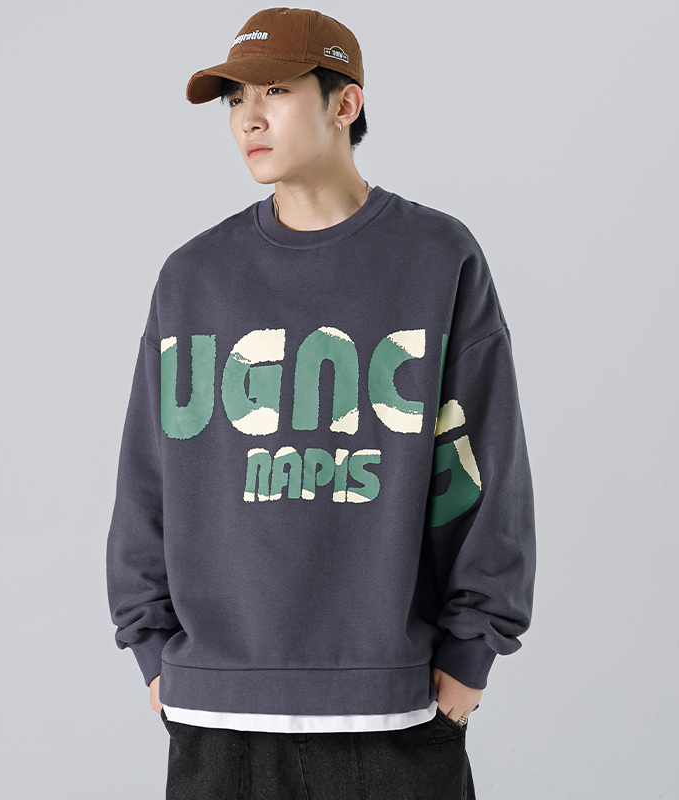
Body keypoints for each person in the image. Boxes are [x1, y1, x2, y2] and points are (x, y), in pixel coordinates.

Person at [105, 7, 536, 799]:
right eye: (235, 98)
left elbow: (486, 467)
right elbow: (147, 479)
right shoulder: (192, 278)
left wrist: (471, 653)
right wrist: (153, 650)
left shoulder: (437, 259)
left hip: (394, 710)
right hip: (217, 717)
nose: (249, 118)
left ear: (345, 103)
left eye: (274, 91)